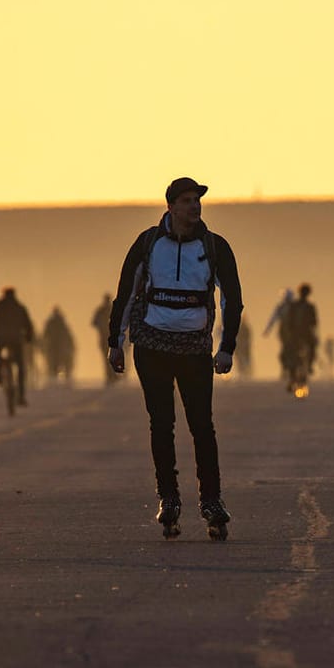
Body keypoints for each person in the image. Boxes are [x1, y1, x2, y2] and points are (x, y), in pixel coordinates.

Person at [106, 176, 243, 539]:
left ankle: (211, 501)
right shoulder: (148, 244)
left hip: (195, 348)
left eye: (197, 200)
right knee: (161, 424)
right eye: (186, 201)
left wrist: (226, 346)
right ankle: (169, 499)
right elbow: (124, 293)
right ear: (170, 206)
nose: (193, 206)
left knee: (202, 426)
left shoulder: (215, 247)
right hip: (152, 346)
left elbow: (232, 299)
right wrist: (115, 341)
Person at [0, 286, 35, 405]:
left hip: (0, 339)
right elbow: (28, 323)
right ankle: (21, 396)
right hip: (16, 340)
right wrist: (28, 337)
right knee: (20, 367)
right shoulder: (19, 307)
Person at [280, 284, 319, 391]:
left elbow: (290, 321)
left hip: (297, 335)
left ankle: (294, 376)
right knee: (310, 348)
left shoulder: (295, 306)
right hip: (301, 335)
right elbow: (314, 322)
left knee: (291, 353)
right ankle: (309, 366)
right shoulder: (309, 306)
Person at [42, 307, 75, 383]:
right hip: (59, 348)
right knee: (60, 365)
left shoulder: (51, 323)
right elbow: (68, 336)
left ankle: (55, 381)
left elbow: (45, 336)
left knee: (54, 366)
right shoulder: (62, 323)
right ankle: (61, 380)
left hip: (54, 348)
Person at [93, 294, 119, 385]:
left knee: (108, 357)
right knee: (109, 356)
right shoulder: (113, 309)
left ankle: (112, 375)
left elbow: (94, 323)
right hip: (109, 338)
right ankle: (111, 375)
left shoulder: (103, 310)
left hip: (109, 337)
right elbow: (94, 322)